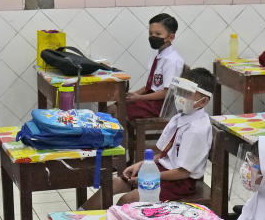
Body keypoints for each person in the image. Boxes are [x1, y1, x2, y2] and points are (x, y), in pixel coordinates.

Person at [82, 68, 215, 210]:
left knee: (127, 200)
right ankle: (78, 218)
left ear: (203, 101)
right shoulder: (182, 117)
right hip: (163, 170)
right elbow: (167, 155)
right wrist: (141, 164)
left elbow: (183, 172)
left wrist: (150, 176)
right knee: (113, 184)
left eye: (188, 94)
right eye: (181, 91)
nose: (181, 97)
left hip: (180, 183)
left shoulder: (197, 129)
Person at [118, 13, 184, 121]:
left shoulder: (172, 60)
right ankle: (127, 137)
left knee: (118, 111)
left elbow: (167, 93)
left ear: (171, 37)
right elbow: (150, 86)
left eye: (158, 34)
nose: (153, 37)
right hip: (150, 101)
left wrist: (139, 98)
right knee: (116, 105)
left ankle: (126, 138)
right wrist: (134, 95)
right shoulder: (158, 56)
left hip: (160, 106)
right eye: (150, 33)